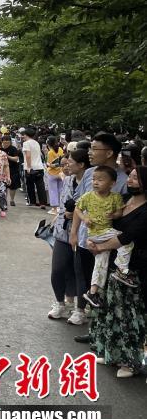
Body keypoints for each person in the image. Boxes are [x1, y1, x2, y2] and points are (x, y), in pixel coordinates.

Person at [87, 165, 147, 378]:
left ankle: (130, 363)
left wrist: (101, 246)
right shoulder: (124, 200)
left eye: (135, 178)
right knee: (110, 311)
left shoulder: (145, 210)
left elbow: (126, 237)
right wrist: (94, 240)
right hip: (113, 263)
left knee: (128, 316)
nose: (130, 180)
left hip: (134, 269)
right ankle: (111, 353)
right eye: (130, 177)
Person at [71, 132, 129, 344]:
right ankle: (93, 327)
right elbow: (79, 205)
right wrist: (74, 233)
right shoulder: (89, 173)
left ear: (110, 152)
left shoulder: (124, 181)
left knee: (103, 284)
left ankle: (101, 332)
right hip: (85, 238)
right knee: (87, 280)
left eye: (94, 149)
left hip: (107, 244)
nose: (90, 152)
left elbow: (123, 215)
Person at [48, 149, 90, 324]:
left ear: (81, 165)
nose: (66, 166)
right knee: (57, 269)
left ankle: (80, 310)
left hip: (83, 233)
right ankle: (60, 303)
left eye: (69, 163)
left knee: (80, 273)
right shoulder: (67, 180)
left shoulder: (91, 182)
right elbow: (63, 205)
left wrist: (76, 214)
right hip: (62, 231)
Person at [78, 166, 130, 309]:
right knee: (125, 240)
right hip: (97, 234)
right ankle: (122, 269)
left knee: (101, 262)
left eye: (100, 180)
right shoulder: (88, 196)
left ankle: (93, 291)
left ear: (112, 183)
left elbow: (119, 212)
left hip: (105, 234)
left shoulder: (115, 197)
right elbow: (77, 209)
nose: (95, 182)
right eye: (94, 179)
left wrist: (114, 215)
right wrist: (84, 218)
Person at [22, 129, 47, 208]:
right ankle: (43, 203)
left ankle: (32, 201)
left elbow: (28, 155)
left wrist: (29, 167)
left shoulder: (26, 143)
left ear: (26, 135)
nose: (23, 136)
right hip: (39, 166)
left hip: (30, 167)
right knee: (40, 185)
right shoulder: (36, 143)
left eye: (24, 134)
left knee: (30, 185)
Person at [45, 135, 64, 212]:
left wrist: (47, 164)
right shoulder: (60, 149)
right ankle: (61, 207)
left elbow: (51, 165)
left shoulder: (50, 152)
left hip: (52, 173)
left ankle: (54, 208)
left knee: (53, 190)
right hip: (60, 172)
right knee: (61, 190)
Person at [1, 135, 22, 206]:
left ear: (10, 142)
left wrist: (7, 156)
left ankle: (12, 199)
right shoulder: (0, 149)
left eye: (8, 142)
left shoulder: (13, 149)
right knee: (4, 186)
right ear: (2, 142)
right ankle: (4, 200)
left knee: (13, 186)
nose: (6, 144)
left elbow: (16, 159)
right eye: (4, 142)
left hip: (13, 169)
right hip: (3, 170)